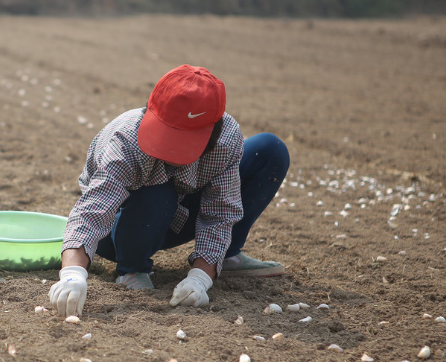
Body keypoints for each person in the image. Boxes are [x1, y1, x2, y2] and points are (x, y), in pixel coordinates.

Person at [49, 64, 289, 317]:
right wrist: (73, 274)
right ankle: (132, 268)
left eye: (182, 141)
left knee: (269, 149)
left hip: (178, 213)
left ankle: (224, 257)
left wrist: (200, 278)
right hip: (121, 227)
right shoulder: (126, 140)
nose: (169, 150)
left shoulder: (226, 139)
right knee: (158, 190)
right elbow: (93, 212)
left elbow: (220, 211)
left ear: (212, 132)